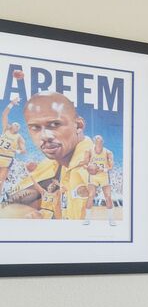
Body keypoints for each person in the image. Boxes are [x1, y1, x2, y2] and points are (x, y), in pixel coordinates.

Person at [6, 92, 95, 220]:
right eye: (35, 127)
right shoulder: (49, 165)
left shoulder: (88, 169)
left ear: (79, 126)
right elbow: (9, 205)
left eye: (54, 124)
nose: (45, 136)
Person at [87, 134, 116, 225]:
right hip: (93, 177)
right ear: (94, 142)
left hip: (104, 176)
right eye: (97, 140)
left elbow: (111, 166)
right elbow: (84, 164)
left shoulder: (108, 152)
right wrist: (89, 168)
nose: (98, 142)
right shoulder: (89, 151)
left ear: (102, 142)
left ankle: (111, 219)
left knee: (108, 197)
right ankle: (87, 219)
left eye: (100, 140)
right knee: (91, 195)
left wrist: (103, 169)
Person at [0, 95, 25, 194]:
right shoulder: (5, 129)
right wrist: (11, 104)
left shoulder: (19, 137)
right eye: (15, 124)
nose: (17, 125)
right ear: (11, 125)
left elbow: (23, 151)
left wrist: (16, 151)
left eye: (18, 126)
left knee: (1, 180)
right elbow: (4, 114)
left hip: (7, 158)